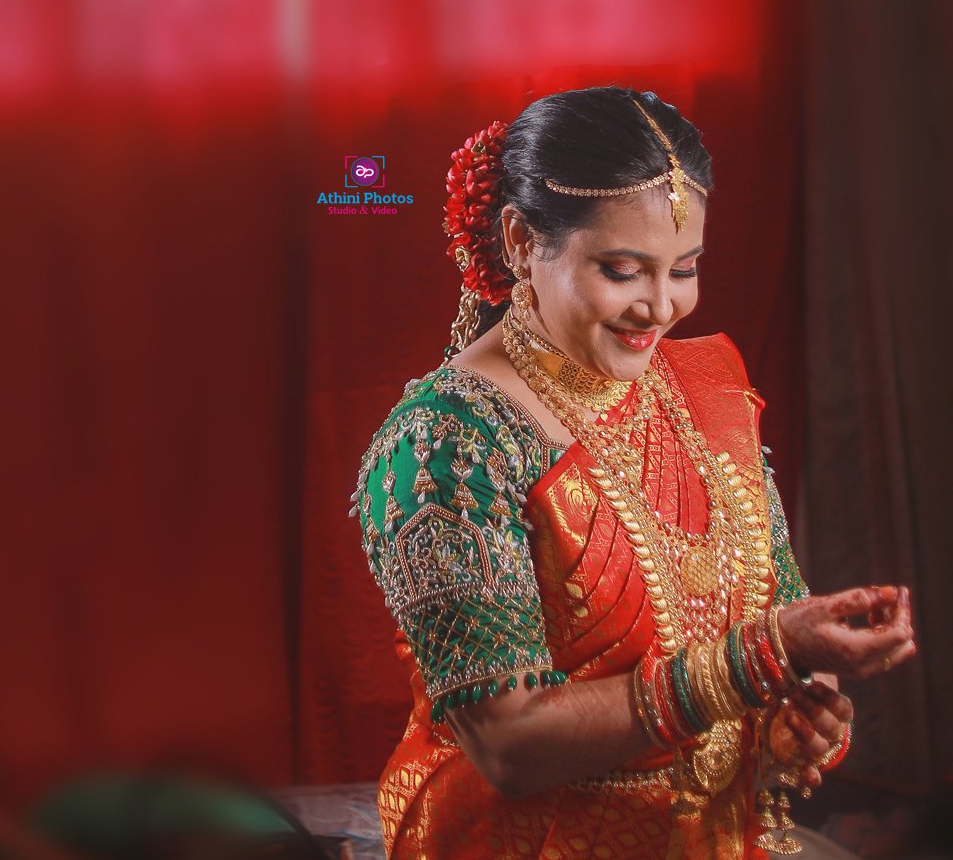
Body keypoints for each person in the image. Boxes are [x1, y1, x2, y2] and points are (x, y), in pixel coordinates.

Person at [352, 87, 916, 859]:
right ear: (520, 240)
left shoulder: (709, 387)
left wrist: (790, 719)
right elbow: (510, 746)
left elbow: (772, 614)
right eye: (622, 270)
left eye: (684, 268)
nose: (660, 307)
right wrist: (763, 660)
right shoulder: (447, 442)